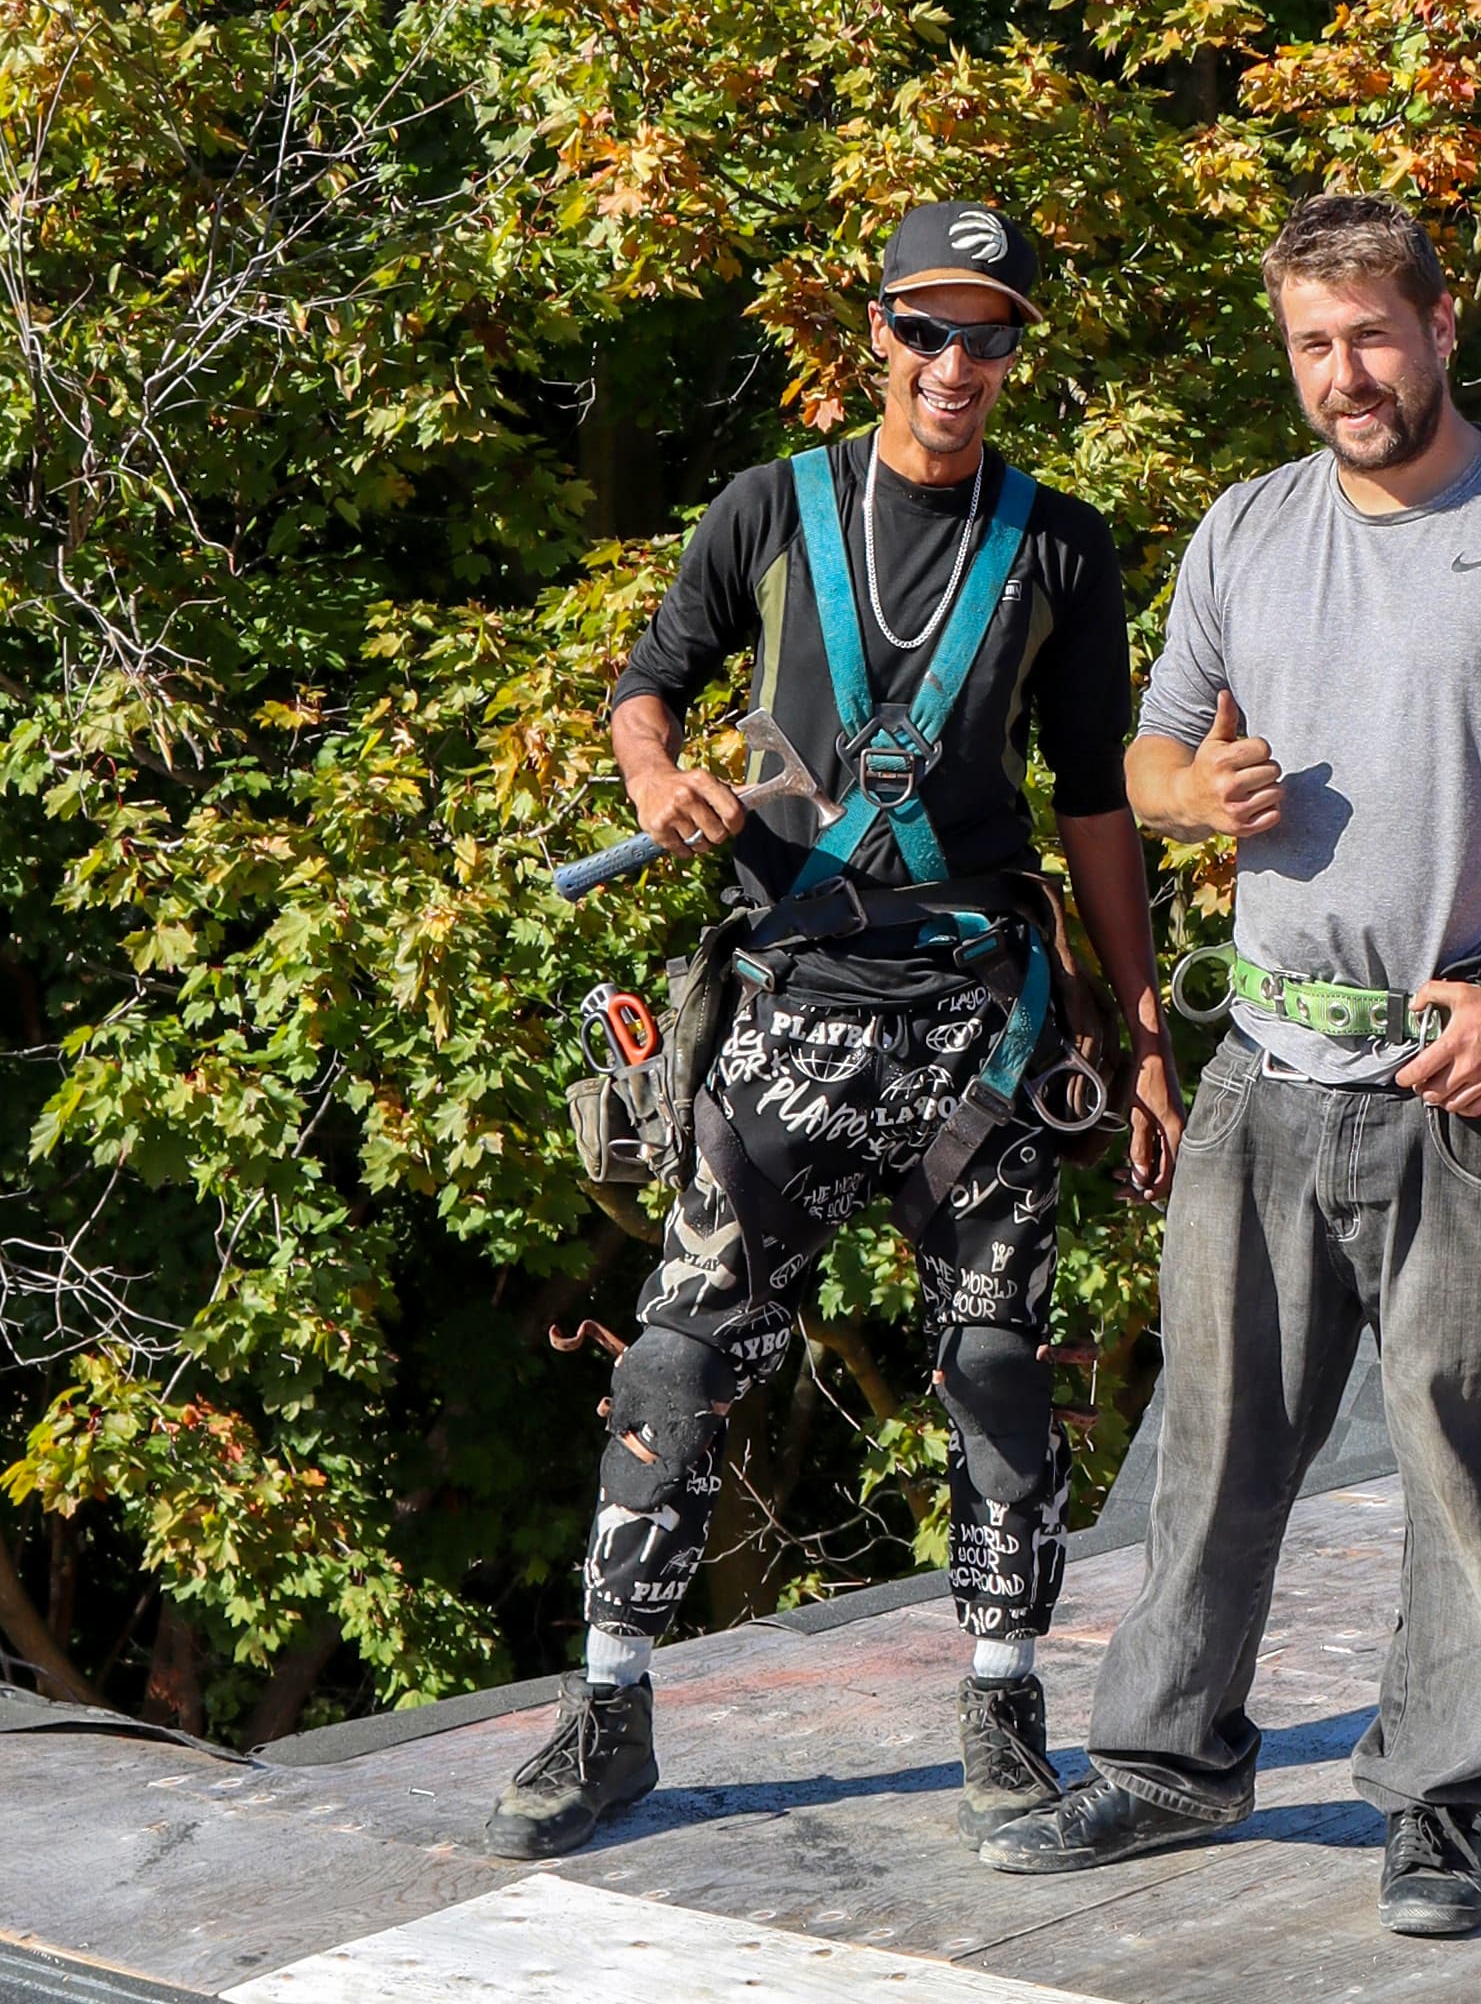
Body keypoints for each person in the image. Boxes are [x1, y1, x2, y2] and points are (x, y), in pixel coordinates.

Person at [986, 190, 1481, 1942]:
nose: (1345, 374)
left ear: (1441, 327)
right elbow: (1139, 762)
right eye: (1312, 345)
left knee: (1461, 1447)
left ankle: (1441, 1799)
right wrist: (1190, 796)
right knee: (1215, 1441)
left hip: (1469, 1062)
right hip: (1269, 1061)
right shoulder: (1248, 528)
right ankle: (1170, 1761)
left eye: (1372, 335)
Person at [496, 201, 1179, 1861]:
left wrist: (1147, 1038)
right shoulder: (771, 510)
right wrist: (658, 781)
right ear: (873, 335)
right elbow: (648, 684)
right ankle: (606, 1707)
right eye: (929, 330)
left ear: (1018, 351)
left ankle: (1004, 1702)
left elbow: (1097, 804)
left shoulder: (1062, 547)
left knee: (1003, 1365)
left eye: (991, 334)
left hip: (979, 1018)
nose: (958, 364)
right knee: (674, 1350)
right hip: (788, 998)